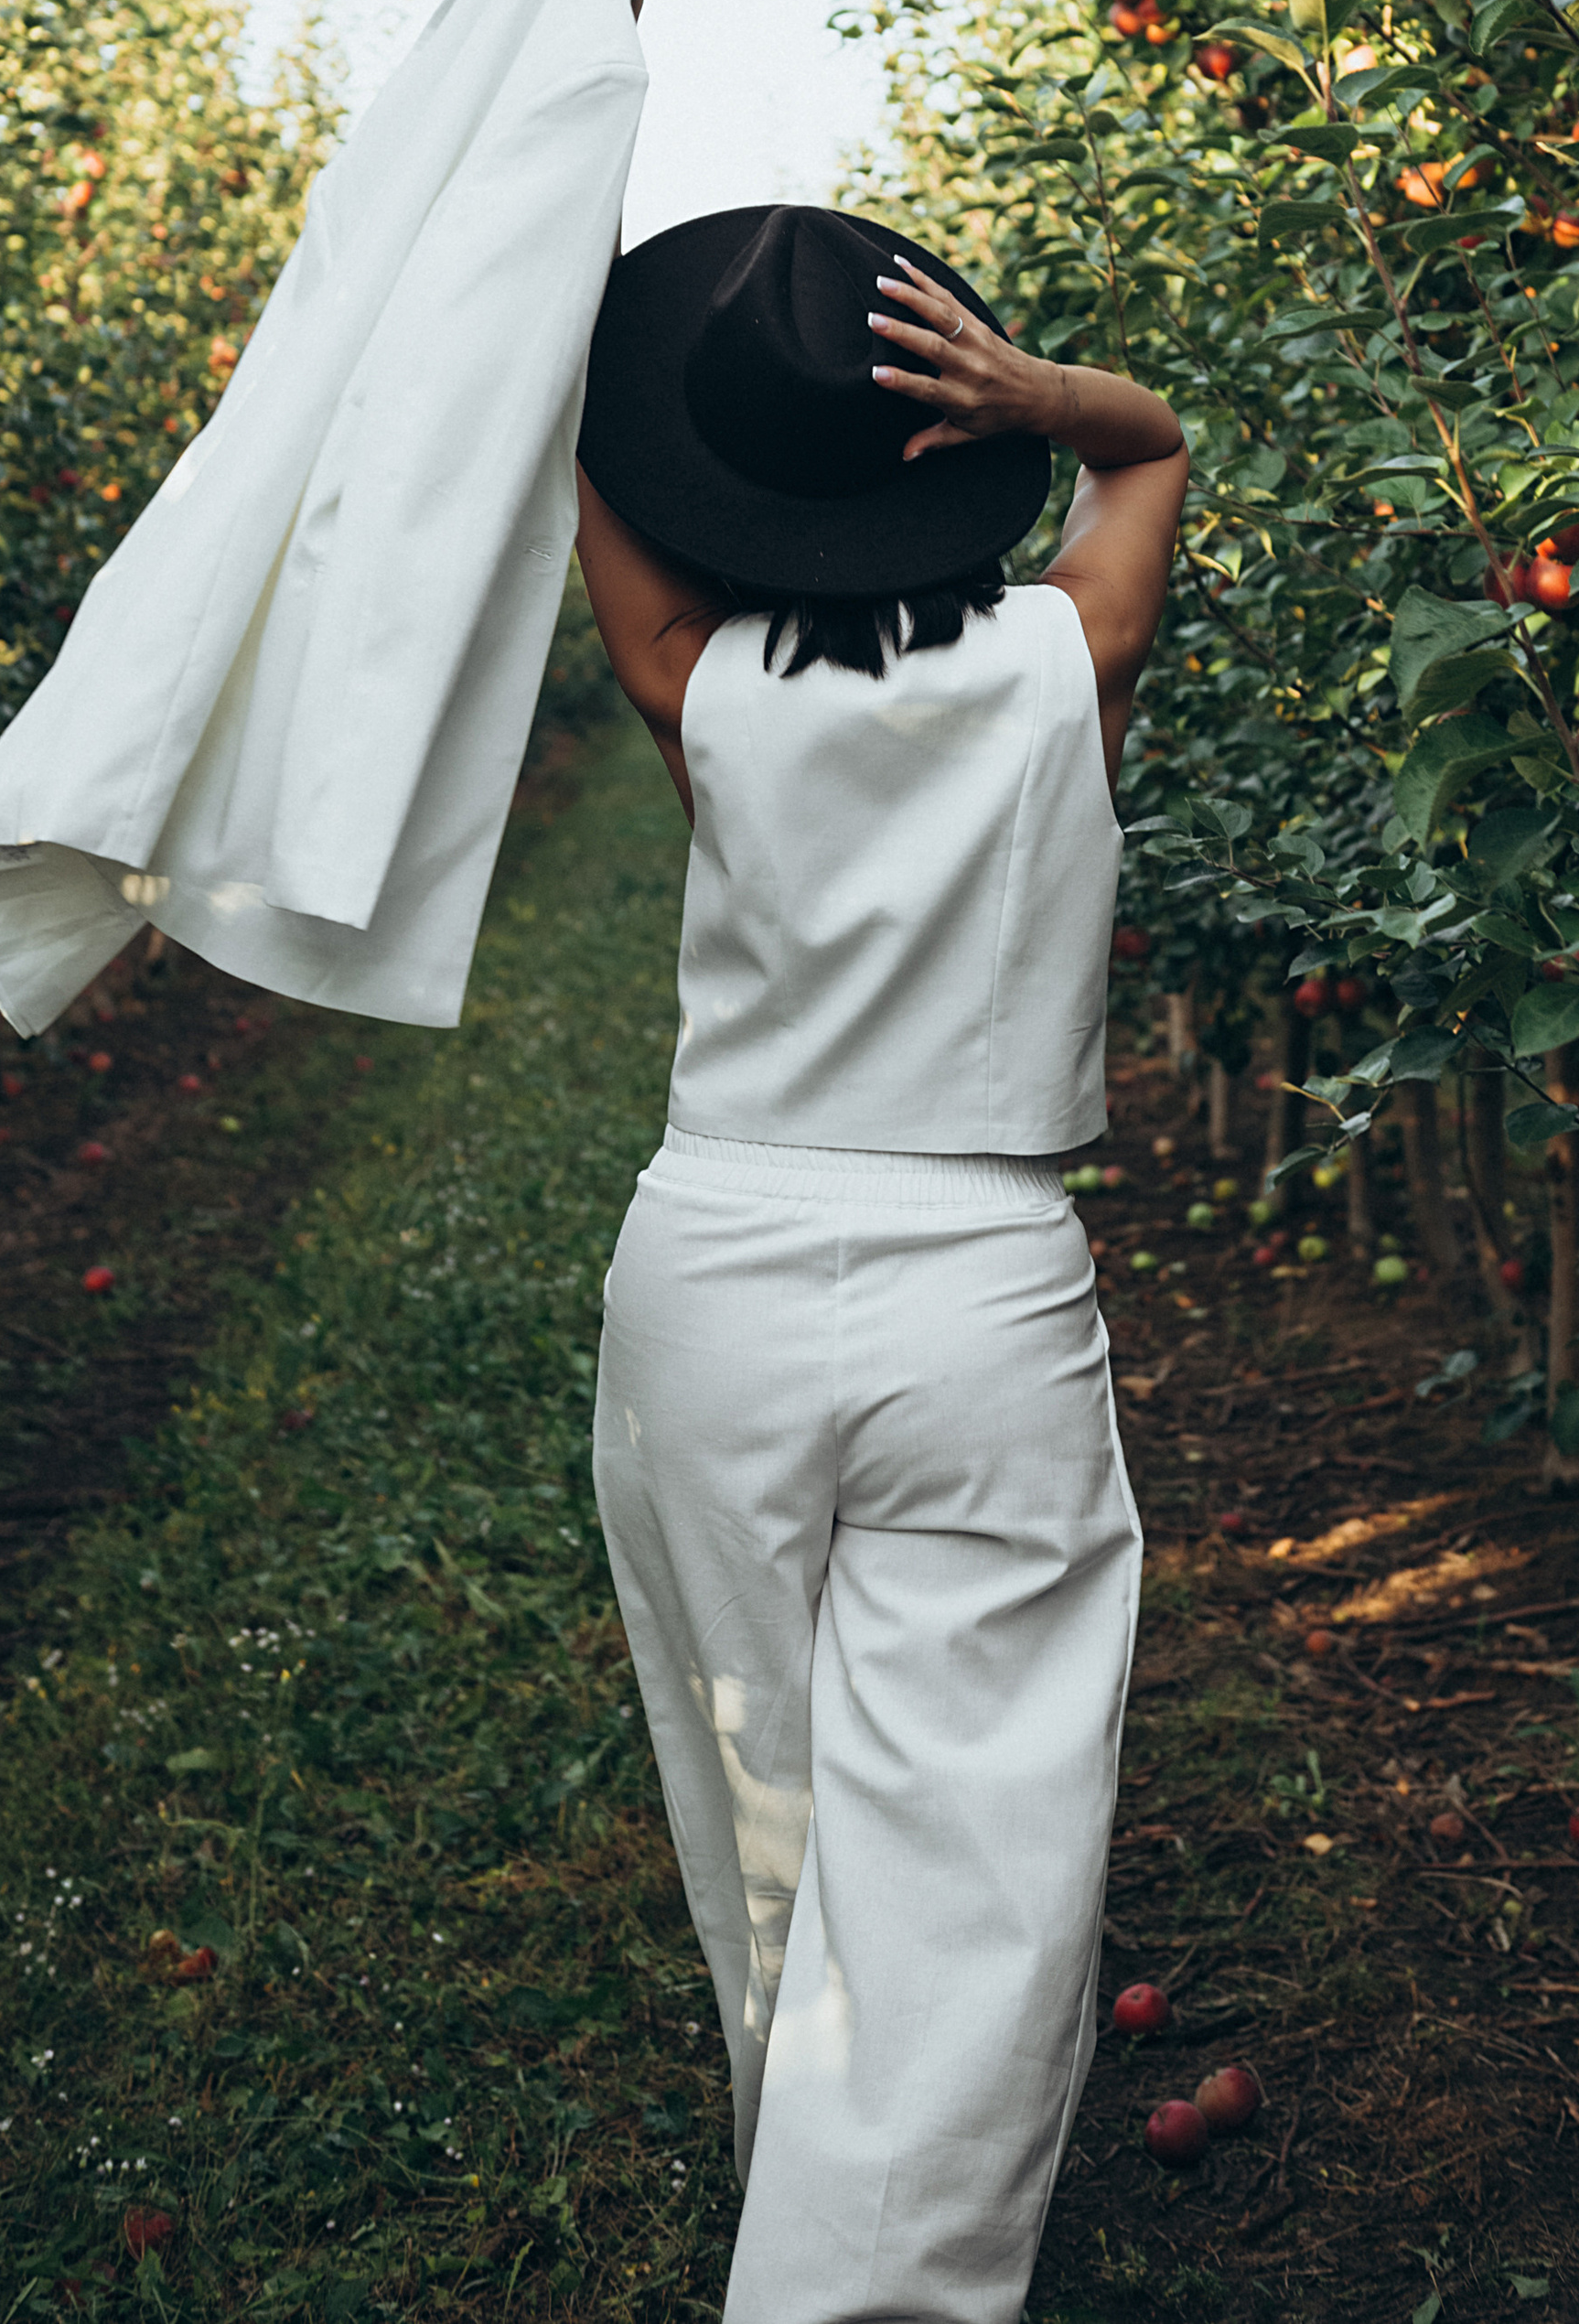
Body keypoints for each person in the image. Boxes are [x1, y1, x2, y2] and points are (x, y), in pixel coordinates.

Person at [574, 130, 1187, 2324]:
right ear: (933, 462)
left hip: (715, 1269)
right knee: (982, 1828)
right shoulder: (1062, 660)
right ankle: (877, 2262)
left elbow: (607, 479)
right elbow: (1157, 442)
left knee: (761, 1778)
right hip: (978, 1286)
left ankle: (798, 2188)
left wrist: (573, 204)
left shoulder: (696, 691)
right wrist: (1034, 396)